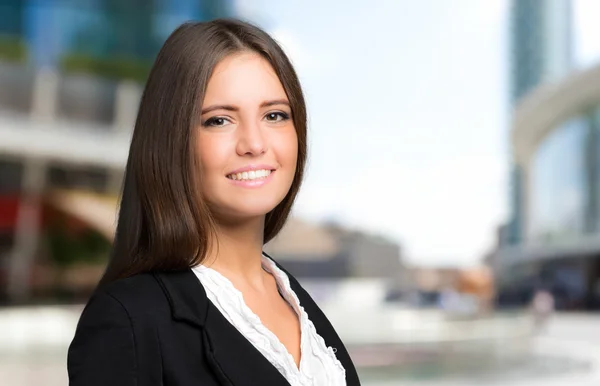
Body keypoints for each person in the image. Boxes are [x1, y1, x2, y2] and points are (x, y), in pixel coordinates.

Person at [67, 18, 360, 386]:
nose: (254, 143)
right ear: (170, 140)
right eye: (219, 120)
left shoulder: (295, 300)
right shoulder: (129, 320)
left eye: (274, 115)